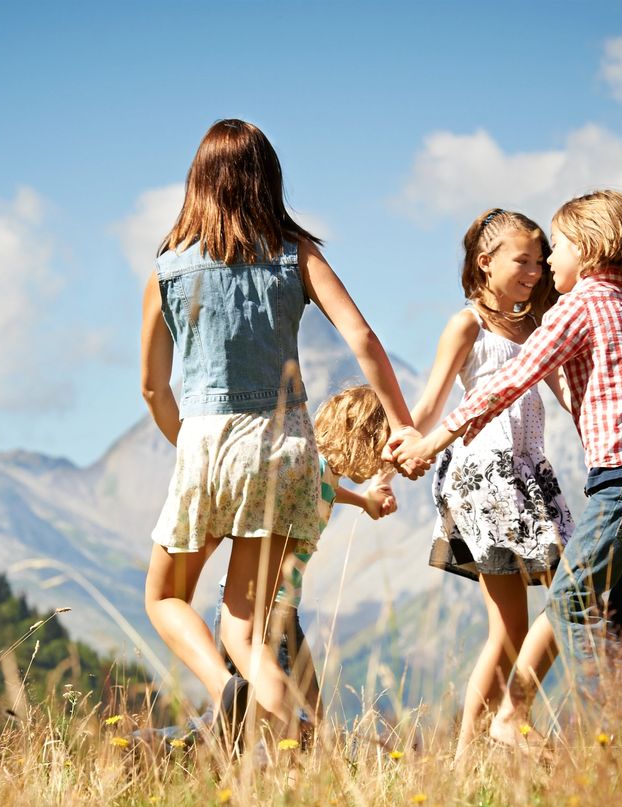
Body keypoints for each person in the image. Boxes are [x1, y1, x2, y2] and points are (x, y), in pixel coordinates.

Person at [140, 119, 417, 746]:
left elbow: (154, 389)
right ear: (268, 180)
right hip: (285, 447)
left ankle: (222, 690)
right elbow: (365, 339)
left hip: (206, 443)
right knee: (247, 631)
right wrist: (401, 424)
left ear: (198, 182)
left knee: (164, 598)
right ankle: (289, 753)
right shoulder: (298, 254)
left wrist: (190, 448)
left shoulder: (167, 268)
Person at [387, 189, 622, 746]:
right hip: (599, 479)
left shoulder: (574, 310)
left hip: (588, 477)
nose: (548, 262)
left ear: (590, 249)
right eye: (530, 256)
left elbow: (531, 383)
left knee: (574, 595)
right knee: (596, 605)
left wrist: (436, 440)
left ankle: (607, 722)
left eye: (557, 248)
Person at [137, 386, 398, 749]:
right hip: (261, 607)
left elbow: (330, 490)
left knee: (300, 714)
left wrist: (364, 501)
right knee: (273, 717)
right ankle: (157, 746)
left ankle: (281, 768)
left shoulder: (318, 473)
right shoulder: (312, 467)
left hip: (281, 606)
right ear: (361, 438)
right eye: (380, 444)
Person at [406, 209, 574, 760]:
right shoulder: (468, 325)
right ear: (486, 262)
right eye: (522, 261)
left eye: (539, 261)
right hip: (486, 475)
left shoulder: (536, 327)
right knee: (511, 626)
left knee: (553, 602)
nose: (535, 270)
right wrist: (399, 454)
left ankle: (478, 747)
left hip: (529, 469)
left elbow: (569, 399)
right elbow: (431, 404)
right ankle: (465, 757)